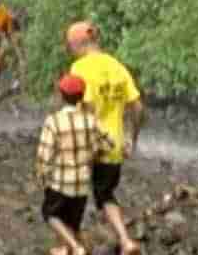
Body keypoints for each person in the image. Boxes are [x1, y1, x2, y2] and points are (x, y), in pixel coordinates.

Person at [66, 21, 145, 255]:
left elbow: (86, 107)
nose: (71, 51)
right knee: (105, 195)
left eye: (71, 46)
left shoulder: (80, 68)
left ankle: (73, 245)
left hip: (90, 142)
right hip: (115, 144)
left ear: (80, 43)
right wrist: (132, 138)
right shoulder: (118, 66)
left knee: (74, 191)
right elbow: (138, 108)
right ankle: (126, 240)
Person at [36, 73, 117, 255]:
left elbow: (44, 155)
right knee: (72, 222)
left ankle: (75, 246)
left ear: (61, 94)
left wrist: (42, 177)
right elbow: (109, 143)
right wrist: (93, 151)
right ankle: (65, 249)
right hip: (82, 182)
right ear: (82, 96)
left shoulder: (53, 121)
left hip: (61, 181)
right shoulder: (90, 119)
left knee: (50, 214)